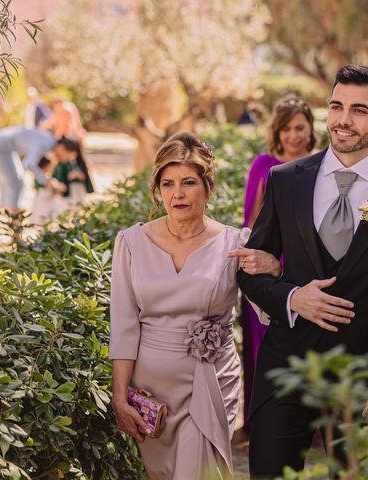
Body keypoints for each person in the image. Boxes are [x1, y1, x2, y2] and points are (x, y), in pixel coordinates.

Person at [238, 65, 368, 477]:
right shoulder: (285, 180)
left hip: (366, 376)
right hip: (287, 370)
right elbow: (250, 269)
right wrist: (293, 297)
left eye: (359, 110)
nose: (343, 119)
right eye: (336, 106)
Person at [109, 132, 282, 479]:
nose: (178, 193)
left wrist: (275, 268)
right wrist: (119, 396)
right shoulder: (130, 243)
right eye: (168, 183)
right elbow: (124, 324)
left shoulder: (234, 243)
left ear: (207, 187)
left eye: (188, 182)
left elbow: (269, 309)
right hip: (151, 393)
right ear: (158, 188)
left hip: (212, 382)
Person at [239, 94, 316, 431]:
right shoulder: (263, 165)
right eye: (286, 129)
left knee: (304, 344)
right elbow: (252, 221)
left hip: (305, 267)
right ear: (277, 131)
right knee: (260, 345)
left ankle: (307, 421)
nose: (294, 136)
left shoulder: (322, 164)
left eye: (300, 127)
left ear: (311, 128)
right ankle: (261, 421)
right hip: (266, 267)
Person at [0, 127, 60, 213]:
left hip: (0, 147)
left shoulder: (48, 139)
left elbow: (27, 162)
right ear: (63, 148)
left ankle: (9, 216)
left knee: (14, 183)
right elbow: (29, 164)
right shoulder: (47, 143)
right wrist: (46, 181)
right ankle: (13, 219)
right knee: (15, 183)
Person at [51, 137, 94, 207]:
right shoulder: (60, 165)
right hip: (66, 193)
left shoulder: (79, 163)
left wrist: (80, 176)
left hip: (78, 190)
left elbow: (85, 176)